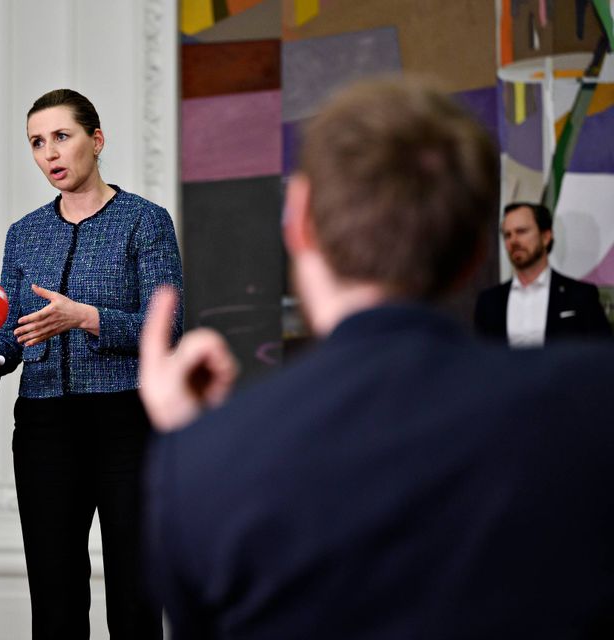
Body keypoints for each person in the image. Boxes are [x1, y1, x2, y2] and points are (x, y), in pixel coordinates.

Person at [139, 78, 614, 638]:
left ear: (299, 220)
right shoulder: (596, 406)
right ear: (475, 250)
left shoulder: (201, 464)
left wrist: (194, 436)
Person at [0, 89, 182, 638]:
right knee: (54, 596)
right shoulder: (23, 234)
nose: (49, 152)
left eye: (61, 136)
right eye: (36, 142)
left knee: (134, 593)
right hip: (45, 426)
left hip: (126, 421)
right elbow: (13, 336)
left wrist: (86, 317)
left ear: (96, 140)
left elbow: (166, 330)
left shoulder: (144, 222)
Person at [474, 201, 611, 346]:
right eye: (507, 235)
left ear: (546, 237)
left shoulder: (580, 296)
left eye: (521, 231)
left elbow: (603, 352)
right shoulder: (489, 302)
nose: (513, 241)